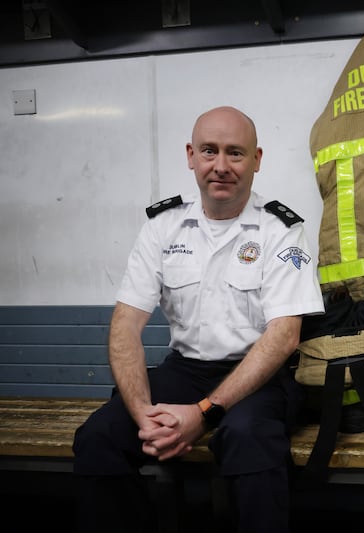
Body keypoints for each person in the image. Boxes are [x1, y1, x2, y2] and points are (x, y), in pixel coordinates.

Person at [72, 106, 325, 533]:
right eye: (209, 151)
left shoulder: (281, 230)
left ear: (257, 159)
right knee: (99, 437)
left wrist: (203, 413)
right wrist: (142, 414)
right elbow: (125, 326)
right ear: (191, 155)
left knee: (248, 438)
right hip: (185, 370)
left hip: (259, 377)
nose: (221, 166)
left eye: (235, 153)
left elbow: (284, 336)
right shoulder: (163, 227)